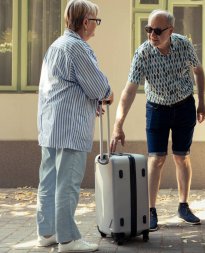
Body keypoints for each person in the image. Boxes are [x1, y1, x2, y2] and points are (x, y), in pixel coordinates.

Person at [110, 9, 205, 232]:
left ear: (170, 31)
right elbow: (129, 91)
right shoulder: (143, 53)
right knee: (156, 159)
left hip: (184, 106)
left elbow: (198, 72)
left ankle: (183, 206)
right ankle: (150, 211)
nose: (152, 35)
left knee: (182, 157)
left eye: (157, 30)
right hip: (157, 108)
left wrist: (202, 102)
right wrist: (118, 124)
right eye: (148, 30)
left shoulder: (183, 45)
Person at [35, 0, 113, 252]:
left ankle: (47, 232)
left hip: (51, 125)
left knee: (48, 181)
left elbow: (66, 86)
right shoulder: (78, 48)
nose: (97, 27)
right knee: (67, 184)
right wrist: (106, 95)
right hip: (70, 128)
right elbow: (98, 86)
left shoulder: (57, 45)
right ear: (85, 22)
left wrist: (91, 102)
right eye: (96, 21)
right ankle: (68, 239)